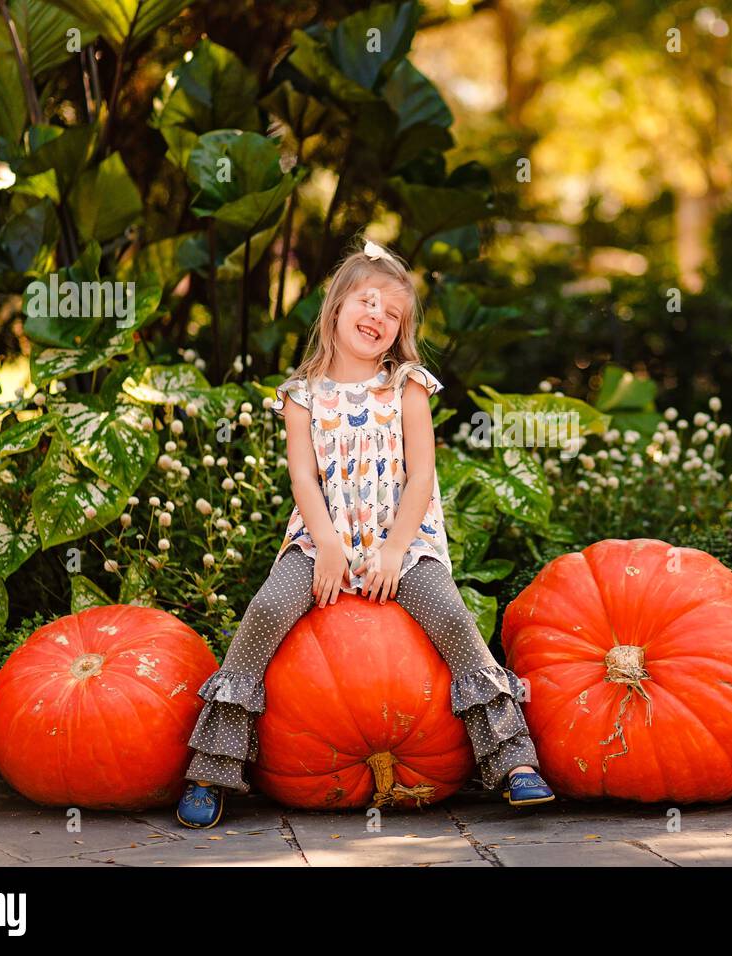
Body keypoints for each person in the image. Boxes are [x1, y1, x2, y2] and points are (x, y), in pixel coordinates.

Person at [176, 238, 553, 828]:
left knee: (453, 618)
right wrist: (326, 543)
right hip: (320, 539)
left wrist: (397, 550)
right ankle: (212, 769)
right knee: (268, 610)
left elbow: (423, 474)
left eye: (392, 313)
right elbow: (302, 476)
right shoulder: (301, 395)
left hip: (401, 539)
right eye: (368, 301)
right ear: (335, 307)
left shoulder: (406, 385)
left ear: (400, 330)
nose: (377, 316)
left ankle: (512, 761)